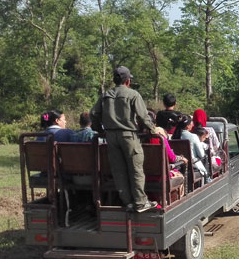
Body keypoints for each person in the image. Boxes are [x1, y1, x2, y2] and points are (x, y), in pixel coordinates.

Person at [90, 66, 157, 213]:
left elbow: (93, 113)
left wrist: (99, 129)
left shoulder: (106, 95)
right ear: (128, 81)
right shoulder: (133, 94)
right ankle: (140, 202)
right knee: (136, 169)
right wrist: (153, 130)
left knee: (118, 170)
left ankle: (128, 202)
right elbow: (143, 117)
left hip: (110, 137)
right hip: (128, 136)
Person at [173, 114, 211, 183]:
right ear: (187, 126)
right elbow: (201, 155)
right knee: (205, 156)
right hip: (192, 165)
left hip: (178, 165)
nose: (192, 125)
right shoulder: (193, 136)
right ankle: (207, 179)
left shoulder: (173, 137)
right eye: (191, 123)